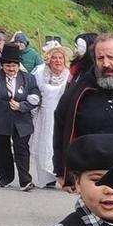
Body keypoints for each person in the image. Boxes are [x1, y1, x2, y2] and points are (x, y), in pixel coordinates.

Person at [0, 42, 40, 189]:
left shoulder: (28, 78)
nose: (11, 69)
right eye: (8, 66)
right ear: (2, 65)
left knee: (22, 150)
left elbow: (36, 97)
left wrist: (22, 106)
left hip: (21, 121)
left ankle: (25, 181)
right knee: (1, 151)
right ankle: (6, 177)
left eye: (14, 66)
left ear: (19, 66)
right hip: (0, 120)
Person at [31, 39, 70, 188]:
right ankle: (46, 179)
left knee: (60, 145)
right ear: (49, 59)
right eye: (54, 58)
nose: (57, 61)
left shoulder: (68, 75)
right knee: (44, 145)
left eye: (60, 58)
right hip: (44, 115)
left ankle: (62, 175)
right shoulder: (40, 73)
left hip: (62, 115)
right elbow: (33, 89)